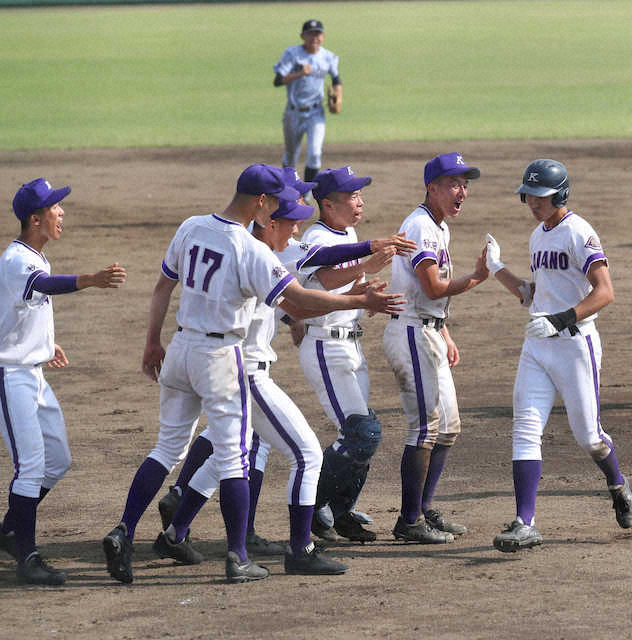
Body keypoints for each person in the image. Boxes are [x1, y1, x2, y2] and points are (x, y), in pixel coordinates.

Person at [101, 164, 401, 584]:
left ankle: (137, 530)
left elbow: (163, 286)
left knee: (170, 449)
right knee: (255, 457)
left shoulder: (193, 226)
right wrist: (355, 294)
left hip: (182, 347)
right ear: (264, 206)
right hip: (228, 360)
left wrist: (152, 341)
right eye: (283, 209)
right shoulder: (252, 250)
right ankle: (249, 553)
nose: (294, 223)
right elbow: (297, 300)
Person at [484, 159, 632, 552]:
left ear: (560, 195)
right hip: (537, 345)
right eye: (529, 195)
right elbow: (535, 294)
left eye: (541, 196)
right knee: (524, 430)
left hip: (574, 344)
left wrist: (560, 319)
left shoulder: (579, 232)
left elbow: (605, 292)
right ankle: (524, 522)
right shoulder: (538, 235)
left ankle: (617, 483)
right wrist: (496, 268)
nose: (533, 202)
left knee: (589, 436)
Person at [0, 179, 127, 585]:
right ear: (34, 219)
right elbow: (40, 286)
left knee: (57, 460)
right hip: (10, 377)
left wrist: (44, 344)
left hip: (32, 371)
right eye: (55, 208)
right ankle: (28, 557)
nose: (62, 212)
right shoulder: (19, 260)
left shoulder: (35, 255)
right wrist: (88, 279)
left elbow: (18, 309)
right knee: (31, 465)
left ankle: (8, 532)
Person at [296, 166, 417, 544]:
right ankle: (314, 508)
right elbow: (319, 282)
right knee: (361, 433)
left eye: (360, 194)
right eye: (352, 196)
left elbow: (346, 284)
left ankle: (340, 511)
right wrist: (365, 266)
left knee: (362, 434)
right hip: (325, 347)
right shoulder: (316, 235)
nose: (360, 201)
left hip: (350, 343)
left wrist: (369, 295)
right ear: (328, 204)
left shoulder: (347, 232)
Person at [382, 152, 490, 544]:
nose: (462, 192)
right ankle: (409, 521)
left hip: (427, 331)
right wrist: (477, 278)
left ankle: (423, 510)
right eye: (453, 184)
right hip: (410, 333)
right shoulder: (422, 228)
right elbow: (432, 288)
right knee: (425, 428)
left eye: (465, 184)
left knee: (448, 427)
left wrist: (443, 331)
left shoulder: (438, 227)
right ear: (432, 188)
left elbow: (428, 296)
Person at [273, 19, 342, 184]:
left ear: (323, 36)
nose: (314, 37)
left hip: (316, 113)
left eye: (318, 33)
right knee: (291, 155)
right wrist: (299, 74)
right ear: (302, 36)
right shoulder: (292, 54)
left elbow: (336, 79)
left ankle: (307, 196)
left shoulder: (328, 57)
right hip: (293, 112)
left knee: (315, 153)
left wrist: (338, 98)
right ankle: (288, 194)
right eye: (310, 33)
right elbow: (277, 81)